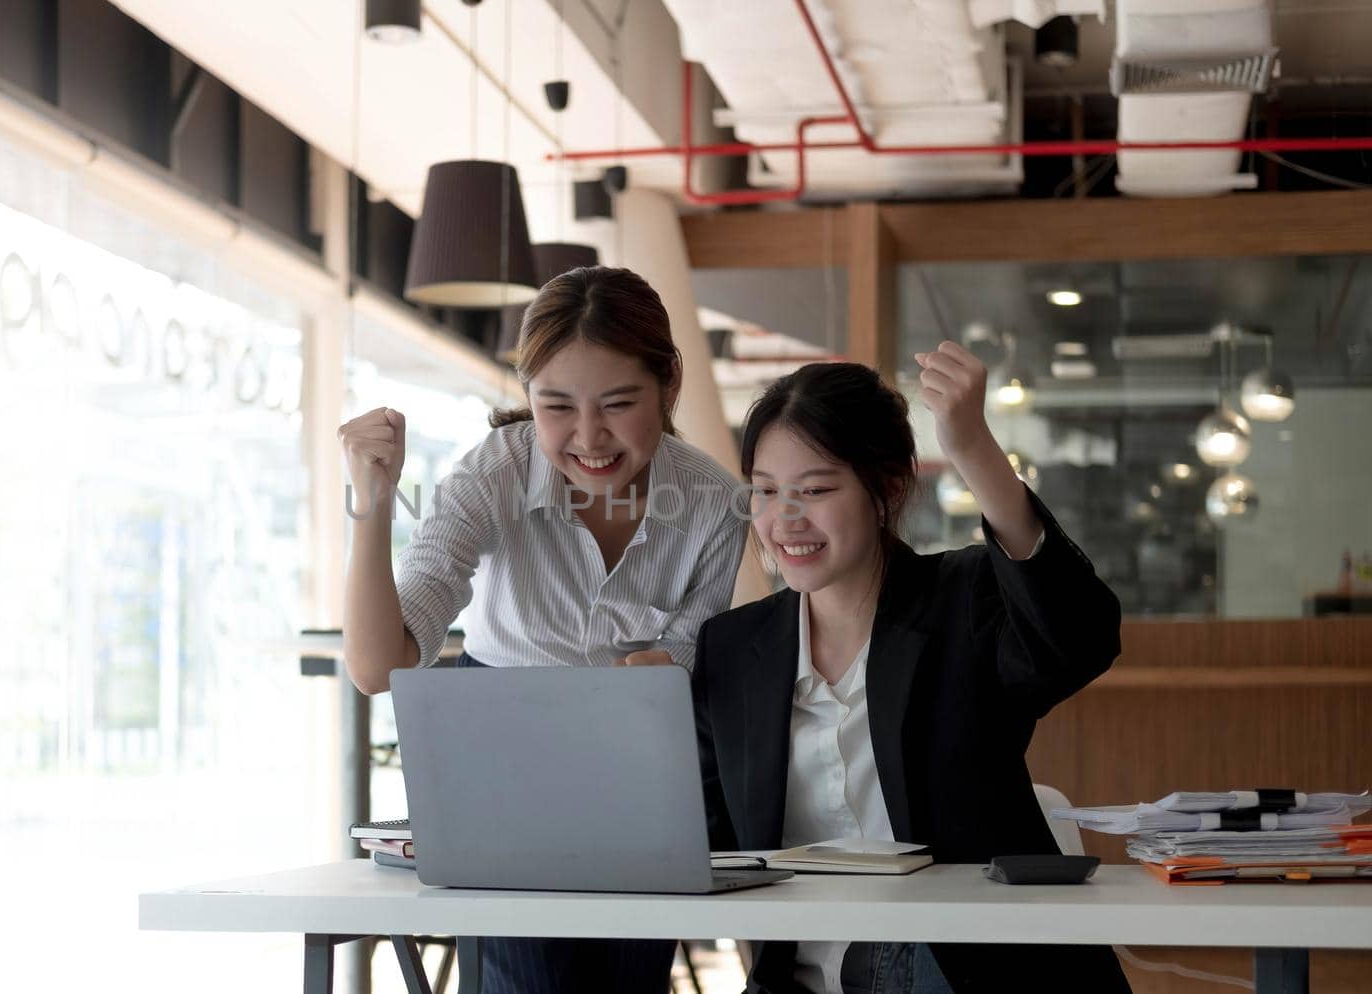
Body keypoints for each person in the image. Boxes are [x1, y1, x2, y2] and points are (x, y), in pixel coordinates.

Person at [338, 266, 747, 994]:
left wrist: (670, 669)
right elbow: (377, 665)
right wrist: (371, 504)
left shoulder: (715, 504)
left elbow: (692, 659)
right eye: (556, 405)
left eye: (619, 404)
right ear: (527, 395)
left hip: (638, 771)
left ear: (670, 385)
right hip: (502, 767)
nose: (589, 437)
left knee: (630, 983)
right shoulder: (490, 476)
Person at [692, 347, 1133, 994]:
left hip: (968, 974)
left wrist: (975, 450)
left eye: (814, 490)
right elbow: (701, 844)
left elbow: (1081, 637)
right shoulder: (733, 650)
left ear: (889, 488)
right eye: (764, 490)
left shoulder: (965, 601)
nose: (784, 520)